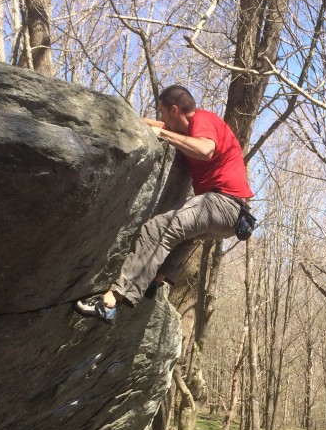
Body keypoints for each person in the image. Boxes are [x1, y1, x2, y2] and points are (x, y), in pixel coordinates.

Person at [75, 85, 253, 325]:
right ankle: (156, 281)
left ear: (175, 110)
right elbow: (155, 126)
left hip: (224, 204)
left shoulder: (203, 119)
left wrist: (164, 135)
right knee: (185, 234)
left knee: (158, 229)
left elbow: (205, 149)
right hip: (232, 218)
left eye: (162, 111)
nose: (161, 118)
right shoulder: (183, 126)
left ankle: (110, 301)